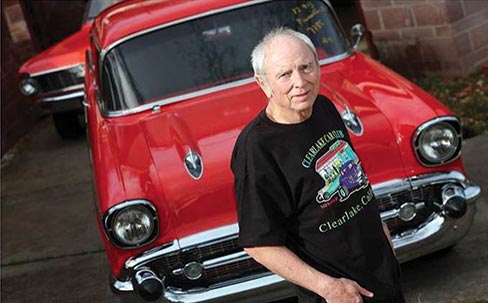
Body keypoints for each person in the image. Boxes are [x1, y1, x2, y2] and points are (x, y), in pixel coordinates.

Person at [231, 27, 405, 303]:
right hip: (339, 293)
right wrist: (327, 287)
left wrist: (379, 228)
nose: (300, 82)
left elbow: (354, 175)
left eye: (306, 67)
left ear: (317, 65)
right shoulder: (257, 149)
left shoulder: (323, 107)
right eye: (284, 74)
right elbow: (259, 243)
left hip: (382, 274)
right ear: (263, 83)